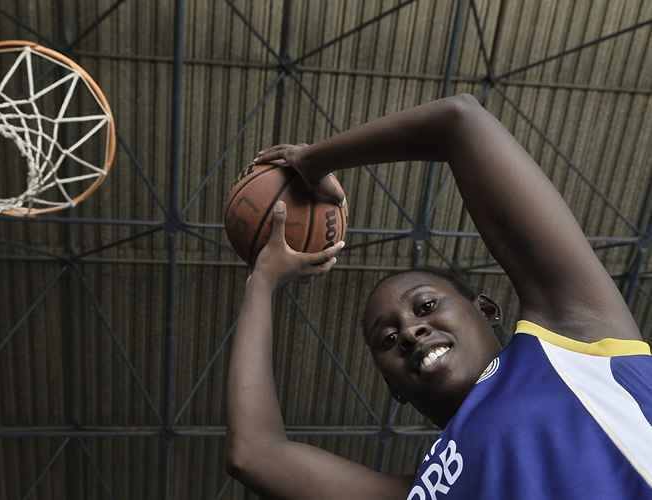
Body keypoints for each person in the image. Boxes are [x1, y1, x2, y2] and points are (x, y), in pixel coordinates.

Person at [225, 93, 652, 499]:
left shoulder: (570, 335)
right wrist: (262, 279)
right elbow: (255, 455)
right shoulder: (422, 492)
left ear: (485, 309)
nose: (410, 331)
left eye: (426, 305)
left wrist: (315, 160)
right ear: (394, 389)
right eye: (388, 340)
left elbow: (460, 122)